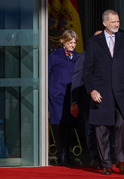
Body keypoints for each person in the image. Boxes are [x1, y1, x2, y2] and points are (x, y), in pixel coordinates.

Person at [83, 10, 124, 175]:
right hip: (101, 91)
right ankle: (106, 163)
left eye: (118, 21)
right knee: (102, 129)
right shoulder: (94, 42)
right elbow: (87, 70)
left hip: (121, 91)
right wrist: (92, 89)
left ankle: (121, 161)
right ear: (104, 23)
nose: (117, 24)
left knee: (122, 125)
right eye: (113, 22)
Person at [49, 30, 82, 165]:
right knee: (59, 124)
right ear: (63, 41)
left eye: (74, 43)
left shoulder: (78, 57)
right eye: (69, 42)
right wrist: (51, 91)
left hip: (71, 96)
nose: (72, 45)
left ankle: (67, 154)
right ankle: (60, 153)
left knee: (69, 125)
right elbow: (47, 74)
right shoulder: (55, 56)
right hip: (57, 96)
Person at [70, 30, 102, 169]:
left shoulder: (112, 56)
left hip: (107, 99)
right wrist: (74, 102)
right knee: (92, 129)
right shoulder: (83, 57)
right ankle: (95, 157)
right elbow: (77, 79)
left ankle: (105, 156)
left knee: (107, 129)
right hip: (87, 100)